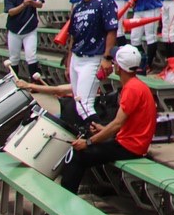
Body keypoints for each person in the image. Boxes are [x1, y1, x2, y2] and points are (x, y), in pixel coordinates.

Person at [21, 44, 155, 194]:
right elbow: (126, 124)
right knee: (84, 148)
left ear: (120, 67)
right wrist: (102, 130)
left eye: (115, 62)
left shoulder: (132, 89)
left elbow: (117, 124)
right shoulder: (136, 86)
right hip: (130, 143)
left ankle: (64, 200)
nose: (113, 63)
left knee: (78, 155)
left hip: (130, 147)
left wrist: (89, 142)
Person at [64, 0, 120, 124]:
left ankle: (100, 140)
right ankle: (89, 137)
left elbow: (111, 30)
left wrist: (107, 58)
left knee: (84, 105)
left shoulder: (105, 2)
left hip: (93, 58)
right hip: (77, 57)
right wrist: (69, 63)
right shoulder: (78, 7)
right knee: (79, 102)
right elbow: (73, 36)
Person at [4, 0, 45, 82]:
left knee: (31, 55)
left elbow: (40, 5)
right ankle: (14, 82)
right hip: (14, 30)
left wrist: (32, 2)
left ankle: (35, 83)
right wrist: (24, 5)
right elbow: (11, 11)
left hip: (30, 29)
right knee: (14, 58)